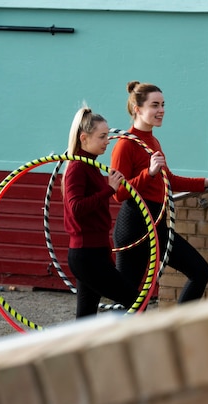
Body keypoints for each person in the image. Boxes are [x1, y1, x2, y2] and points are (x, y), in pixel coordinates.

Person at [111, 81, 208, 304]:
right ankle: (116, 338)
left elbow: (169, 180)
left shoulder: (153, 141)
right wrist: (148, 173)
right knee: (129, 299)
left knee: (199, 271)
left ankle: (178, 328)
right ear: (138, 109)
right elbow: (119, 192)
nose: (161, 111)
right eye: (155, 105)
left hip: (157, 223)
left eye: (163, 105)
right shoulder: (125, 144)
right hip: (135, 226)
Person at [62, 106, 139, 318]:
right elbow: (76, 208)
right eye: (103, 136)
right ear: (84, 138)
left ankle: (83, 350)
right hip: (86, 254)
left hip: (94, 251)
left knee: (86, 316)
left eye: (108, 136)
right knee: (135, 302)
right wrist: (109, 189)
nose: (108, 141)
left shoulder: (91, 166)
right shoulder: (78, 168)